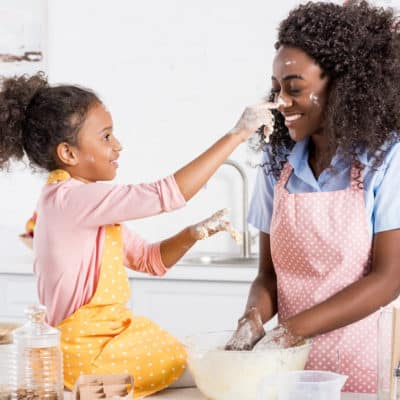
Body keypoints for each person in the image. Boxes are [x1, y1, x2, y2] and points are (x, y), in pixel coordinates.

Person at [0, 72, 272, 397]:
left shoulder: (84, 203)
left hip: (102, 347)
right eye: (105, 137)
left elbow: (150, 260)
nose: (117, 146)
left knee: (203, 365)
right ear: (68, 154)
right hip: (87, 358)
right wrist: (238, 134)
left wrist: (192, 234)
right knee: (211, 369)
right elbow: (166, 194)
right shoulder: (70, 198)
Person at [226, 0, 400, 394]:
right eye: (275, 90)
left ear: (343, 84)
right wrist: (252, 320)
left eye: (294, 89)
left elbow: (389, 279)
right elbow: (268, 275)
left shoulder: (387, 160)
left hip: (366, 367)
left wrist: (287, 332)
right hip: (293, 372)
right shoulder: (277, 162)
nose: (280, 102)